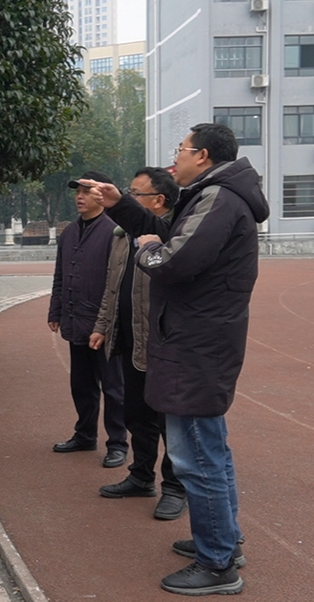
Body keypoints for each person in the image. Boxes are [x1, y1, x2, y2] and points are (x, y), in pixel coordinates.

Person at [87, 123, 269, 595]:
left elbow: (172, 259)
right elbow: (167, 231)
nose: (177, 156)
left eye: (181, 149)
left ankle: (216, 565)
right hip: (201, 341)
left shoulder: (218, 199)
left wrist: (148, 254)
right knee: (212, 448)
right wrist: (121, 206)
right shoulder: (217, 194)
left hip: (195, 344)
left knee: (196, 456)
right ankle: (223, 543)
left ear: (202, 155)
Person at [88, 167, 187, 521]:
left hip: (162, 345)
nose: (128, 198)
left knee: (168, 422)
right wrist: (104, 326)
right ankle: (141, 476)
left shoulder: (176, 236)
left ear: (158, 200)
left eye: (136, 193)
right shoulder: (122, 235)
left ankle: (174, 488)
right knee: (137, 414)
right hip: (129, 342)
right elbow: (112, 286)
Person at [48, 171, 128, 468]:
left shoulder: (115, 230)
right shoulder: (70, 232)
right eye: (77, 191)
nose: (80, 196)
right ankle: (84, 434)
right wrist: (55, 310)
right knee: (81, 385)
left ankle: (118, 443)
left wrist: (106, 325)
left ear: (103, 194)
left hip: (104, 327)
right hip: (75, 321)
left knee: (114, 388)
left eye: (87, 191)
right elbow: (60, 274)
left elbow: (117, 283)